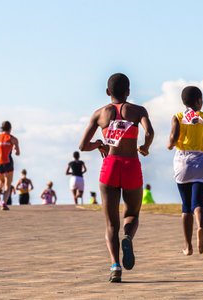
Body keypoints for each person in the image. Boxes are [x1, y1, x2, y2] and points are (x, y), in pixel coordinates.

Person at [79, 73, 154, 283]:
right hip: (131, 165)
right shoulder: (138, 111)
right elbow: (150, 132)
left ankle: (115, 266)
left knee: (111, 224)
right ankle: (128, 236)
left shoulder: (99, 114)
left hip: (110, 166)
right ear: (128, 92)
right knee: (132, 214)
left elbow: (83, 146)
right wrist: (145, 148)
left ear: (107, 92)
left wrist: (99, 145)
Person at [167, 86, 203, 256]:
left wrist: (170, 144)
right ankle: (200, 227)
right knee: (197, 203)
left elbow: (172, 139)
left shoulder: (178, 117)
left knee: (186, 207)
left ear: (184, 102)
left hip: (183, 164)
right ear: (199, 101)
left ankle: (188, 246)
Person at [0, 121, 20, 211]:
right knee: (8, 184)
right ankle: (3, 203)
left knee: (0, 181)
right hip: (8, 162)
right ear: (10, 128)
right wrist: (13, 149)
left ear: (1, 128)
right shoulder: (13, 139)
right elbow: (18, 153)